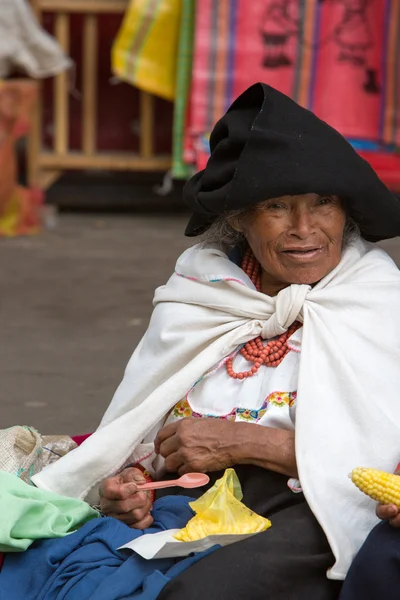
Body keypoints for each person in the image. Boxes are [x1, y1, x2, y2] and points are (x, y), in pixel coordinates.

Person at [32, 82, 400, 600]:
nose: (305, 228)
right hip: (188, 502)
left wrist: (251, 444)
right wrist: (134, 481)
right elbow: (142, 419)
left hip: (314, 509)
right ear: (239, 217)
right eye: (277, 205)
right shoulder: (203, 292)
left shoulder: (376, 302)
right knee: (55, 570)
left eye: (323, 204)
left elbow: (380, 452)